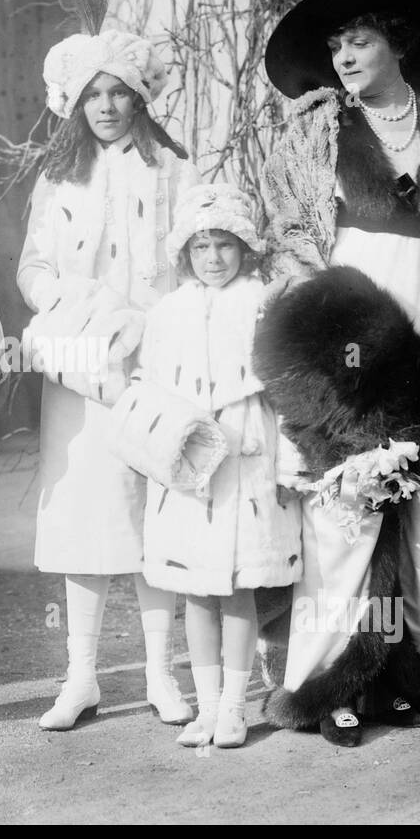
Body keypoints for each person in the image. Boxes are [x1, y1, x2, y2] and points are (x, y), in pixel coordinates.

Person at [259, 0, 420, 746]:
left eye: (360, 41)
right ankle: (323, 686)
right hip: (348, 337)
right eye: (337, 45)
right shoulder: (319, 128)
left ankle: (405, 674)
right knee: (345, 512)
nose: (345, 57)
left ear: (398, 43)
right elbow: (292, 243)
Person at [17, 6, 200, 731]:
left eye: (118, 93)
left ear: (139, 97)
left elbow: (198, 258)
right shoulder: (57, 178)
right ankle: (82, 676)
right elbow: (32, 265)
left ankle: (161, 672)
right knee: (86, 524)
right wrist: (65, 299)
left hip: (154, 364)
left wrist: (155, 324)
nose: (106, 107)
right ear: (74, 103)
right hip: (79, 368)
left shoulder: (174, 170)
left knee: (158, 521)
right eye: (93, 95)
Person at [131, 184, 303, 748]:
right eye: (201, 246)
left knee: (237, 590)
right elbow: (149, 395)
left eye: (224, 245)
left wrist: (287, 471)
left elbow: (287, 398)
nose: (212, 258)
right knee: (195, 593)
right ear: (185, 253)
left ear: (244, 248)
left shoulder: (263, 305)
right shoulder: (168, 313)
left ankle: (233, 707)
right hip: (187, 471)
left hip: (245, 468)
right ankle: (205, 708)